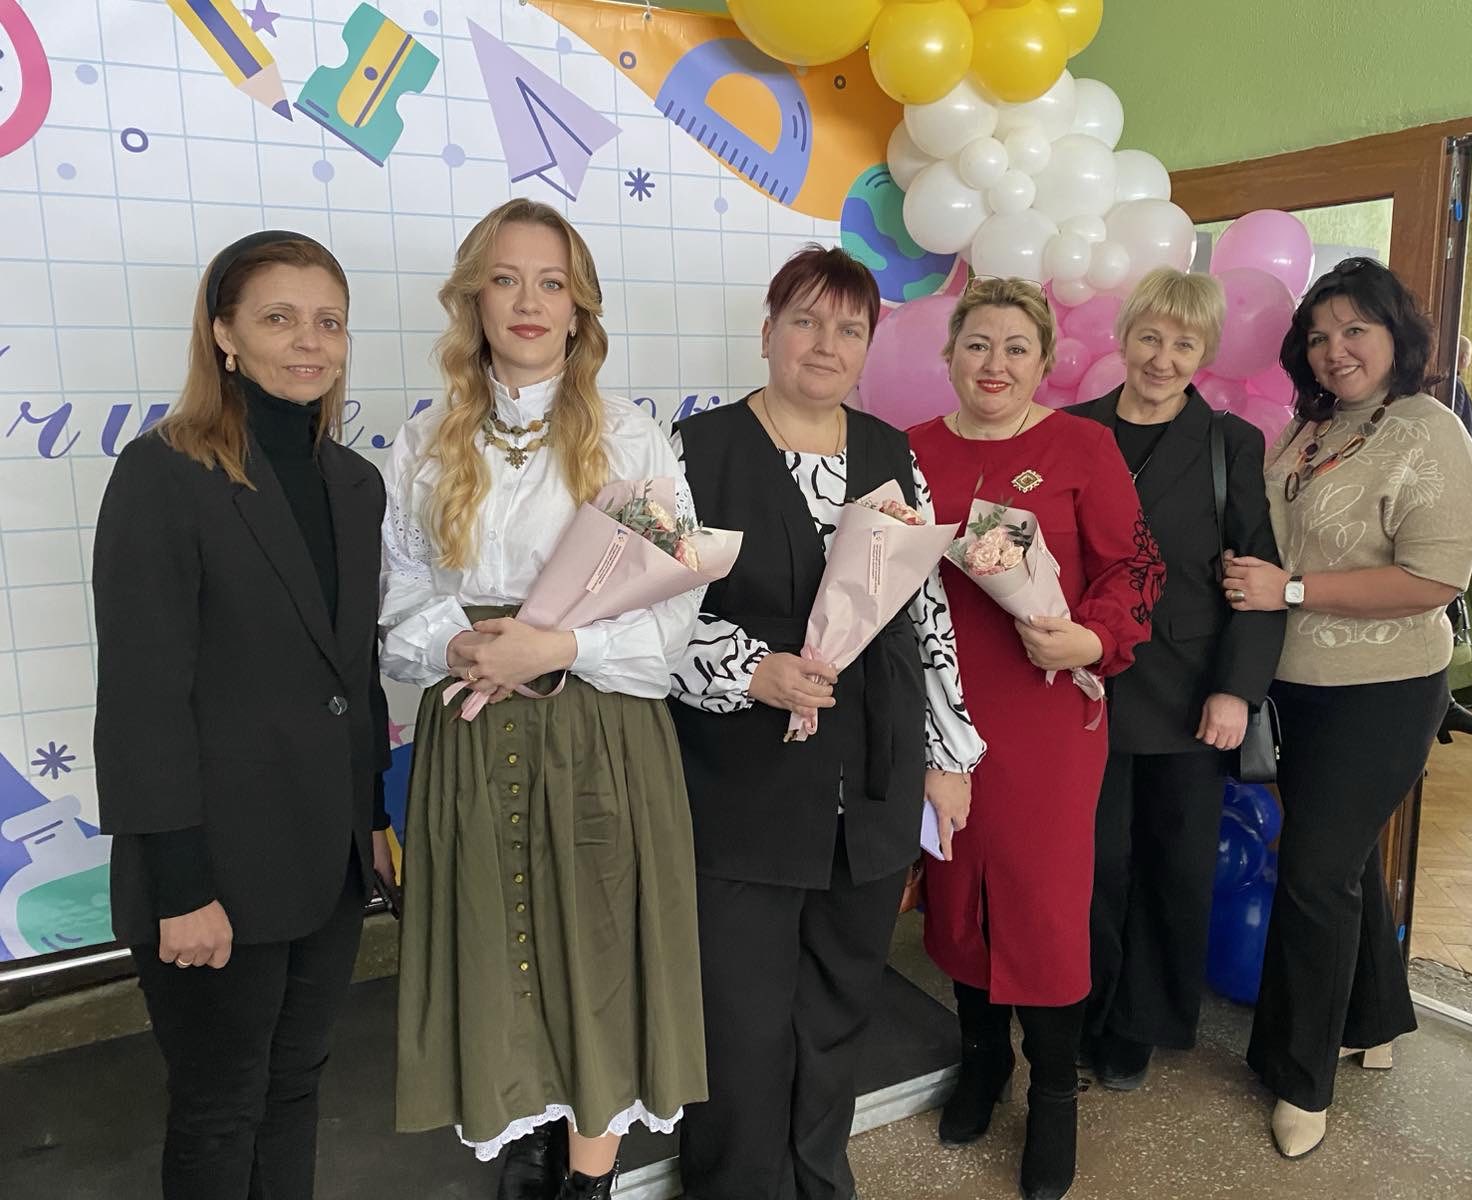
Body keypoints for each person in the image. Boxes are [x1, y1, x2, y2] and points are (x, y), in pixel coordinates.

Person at [378, 200, 705, 1200]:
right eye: (506, 278)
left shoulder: (633, 439)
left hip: (597, 727)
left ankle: (590, 1177)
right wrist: (464, 643)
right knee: (497, 942)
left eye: (551, 283)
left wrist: (557, 645)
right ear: (473, 298)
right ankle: (525, 1139)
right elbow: (396, 600)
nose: (529, 301)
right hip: (472, 723)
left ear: (579, 308)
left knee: (598, 944)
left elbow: (672, 613)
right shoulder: (426, 440)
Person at [668, 245, 986, 1200]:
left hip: (869, 782)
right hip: (741, 787)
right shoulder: (693, 451)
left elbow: (926, 613)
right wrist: (749, 669)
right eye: (805, 321)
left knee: (841, 1002)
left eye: (850, 328)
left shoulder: (891, 453)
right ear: (767, 331)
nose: (825, 343)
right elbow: (647, 614)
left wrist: (947, 754)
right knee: (740, 1019)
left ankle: (818, 1177)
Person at [93, 230, 392, 1199]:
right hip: (214, 867)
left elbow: (353, 668)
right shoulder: (163, 473)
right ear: (224, 334)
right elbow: (140, 697)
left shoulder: (355, 483)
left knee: (295, 1087)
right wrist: (179, 885)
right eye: (279, 318)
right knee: (221, 1109)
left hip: (329, 859)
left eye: (329, 322)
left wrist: (372, 821)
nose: (310, 341)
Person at [1223, 257, 1472, 1159]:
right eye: (1318, 335)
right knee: (1339, 863)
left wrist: (1291, 590)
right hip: (1295, 683)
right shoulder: (1309, 427)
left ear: (1395, 336)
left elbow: (1434, 579)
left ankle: (1302, 1081)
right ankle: (1372, 1020)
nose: (1334, 350)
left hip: (1384, 691)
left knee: (1312, 872)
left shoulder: (1430, 431)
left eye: (1354, 331)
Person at [909, 276, 1164, 1199]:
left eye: (1017, 348)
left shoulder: (1081, 446)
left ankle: (1055, 1092)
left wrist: (1093, 637)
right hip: (940, 716)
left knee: (1044, 906)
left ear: (1044, 361)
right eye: (978, 344)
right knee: (957, 893)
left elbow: (1137, 567)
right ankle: (984, 1062)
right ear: (950, 354)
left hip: (1048, 713)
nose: (996, 364)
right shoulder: (909, 450)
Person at [1066, 268, 1285, 1091]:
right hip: (1081, 683)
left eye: (1183, 344)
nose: (1162, 358)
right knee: (1092, 865)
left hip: (1189, 693)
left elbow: (1257, 575)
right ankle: (1083, 1007)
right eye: (1150, 337)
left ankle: (1139, 1025)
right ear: (1124, 336)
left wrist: (1237, 690)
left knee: (1172, 866)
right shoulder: (1072, 429)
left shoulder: (1230, 444)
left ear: (1205, 353)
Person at [1445, 335, 1472, 441]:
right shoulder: (1455, 383)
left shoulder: (1445, 379)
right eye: (1470, 356)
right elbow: (1455, 418)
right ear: (1464, 358)